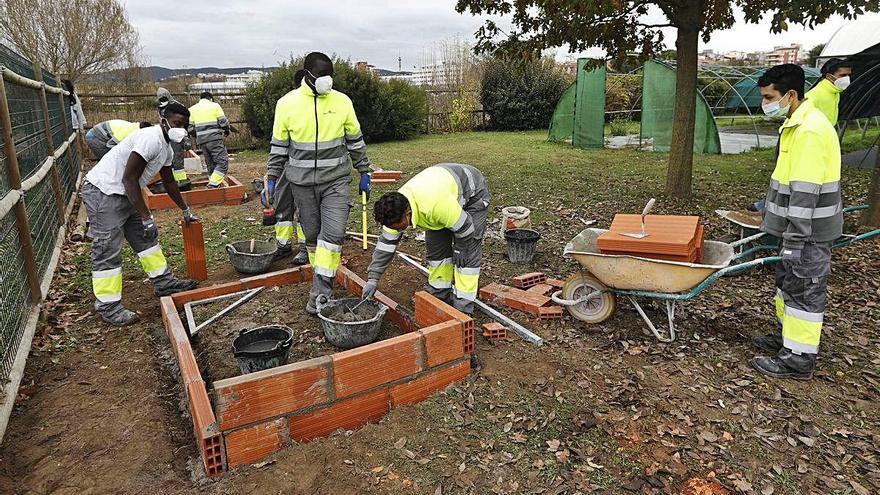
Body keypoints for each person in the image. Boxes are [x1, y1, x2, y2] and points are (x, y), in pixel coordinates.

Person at [751, 64, 842, 380]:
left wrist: (795, 238)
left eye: (769, 97)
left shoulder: (810, 131)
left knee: (804, 290)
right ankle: (786, 338)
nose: (765, 104)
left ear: (790, 94)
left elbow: (805, 193)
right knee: (788, 284)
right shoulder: (795, 123)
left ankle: (798, 359)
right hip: (794, 229)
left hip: (808, 232)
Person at [266, 52, 373, 314]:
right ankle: (321, 277)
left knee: (333, 234)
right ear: (307, 75)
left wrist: (364, 171)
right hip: (301, 184)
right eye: (321, 75)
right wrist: (271, 176)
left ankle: (320, 292)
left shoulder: (342, 102)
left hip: (336, 180)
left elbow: (355, 141)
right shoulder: (287, 104)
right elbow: (279, 146)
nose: (327, 80)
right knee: (313, 238)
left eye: (329, 75)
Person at [81, 102, 200, 326]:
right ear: (163, 120)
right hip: (104, 192)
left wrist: (185, 210)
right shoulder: (151, 137)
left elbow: (169, 182)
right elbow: (129, 179)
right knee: (108, 249)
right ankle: (109, 307)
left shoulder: (165, 147)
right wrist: (146, 216)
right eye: (177, 123)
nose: (180, 129)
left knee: (146, 240)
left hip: (125, 193)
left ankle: (164, 282)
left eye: (184, 126)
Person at [363, 163, 490, 315]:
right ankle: (439, 293)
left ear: (408, 213)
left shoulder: (435, 206)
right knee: (437, 252)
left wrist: (461, 248)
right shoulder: (393, 212)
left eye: (398, 226)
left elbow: (467, 227)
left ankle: (463, 308)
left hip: (472, 193)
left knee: (466, 258)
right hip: (441, 193)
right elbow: (385, 248)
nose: (396, 230)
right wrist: (373, 278)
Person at [265, 69, 309, 265]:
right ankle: (283, 245)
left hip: (306, 169)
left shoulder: (316, 110)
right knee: (282, 205)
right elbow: (279, 141)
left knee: (304, 209)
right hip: (286, 166)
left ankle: (306, 247)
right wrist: (272, 176)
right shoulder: (288, 106)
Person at [189, 91, 231, 188]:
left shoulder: (192, 109)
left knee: (210, 163)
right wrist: (226, 130)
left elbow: (190, 129)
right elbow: (223, 121)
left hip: (202, 141)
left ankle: (212, 181)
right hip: (214, 139)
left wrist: (198, 135)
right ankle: (213, 183)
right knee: (222, 162)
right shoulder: (215, 106)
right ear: (210, 98)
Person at [157, 87, 192, 190]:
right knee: (169, 159)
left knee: (177, 159)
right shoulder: (161, 107)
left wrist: (186, 137)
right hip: (167, 136)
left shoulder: (177, 106)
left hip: (177, 136)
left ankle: (181, 182)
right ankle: (173, 181)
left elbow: (185, 122)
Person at [805, 58, 852, 126]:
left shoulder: (835, 92)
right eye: (843, 75)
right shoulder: (812, 96)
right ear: (829, 76)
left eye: (849, 75)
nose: (847, 78)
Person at [85, 119, 152, 160]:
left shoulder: (135, 128)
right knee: (107, 161)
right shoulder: (128, 132)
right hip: (94, 137)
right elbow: (110, 145)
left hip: (102, 136)